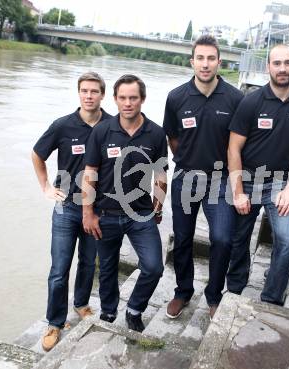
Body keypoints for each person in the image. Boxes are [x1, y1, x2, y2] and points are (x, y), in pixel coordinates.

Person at [226, 44, 289, 305]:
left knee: (287, 242)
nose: (282, 68)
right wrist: (238, 192)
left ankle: (271, 299)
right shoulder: (251, 102)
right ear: (268, 67)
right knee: (237, 238)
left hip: (281, 183)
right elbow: (234, 148)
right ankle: (234, 290)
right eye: (276, 63)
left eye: (287, 63)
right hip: (247, 179)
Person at [163, 35, 243, 319]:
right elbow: (173, 139)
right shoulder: (176, 97)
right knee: (182, 238)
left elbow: (240, 143)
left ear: (219, 62)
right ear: (192, 61)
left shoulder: (235, 98)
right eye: (200, 58)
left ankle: (213, 296)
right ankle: (182, 292)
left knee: (222, 239)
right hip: (186, 178)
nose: (205, 64)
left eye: (211, 58)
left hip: (220, 181)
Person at [32, 72, 111, 351]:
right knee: (59, 269)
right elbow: (37, 154)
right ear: (78, 93)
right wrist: (45, 187)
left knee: (89, 263)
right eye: (84, 91)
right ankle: (54, 323)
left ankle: (80, 304)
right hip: (66, 208)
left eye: (94, 91)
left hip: (98, 210)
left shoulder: (113, 126)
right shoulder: (63, 125)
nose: (89, 96)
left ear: (103, 94)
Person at [82, 74, 167, 332]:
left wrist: (158, 205)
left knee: (153, 266)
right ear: (115, 99)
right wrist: (88, 212)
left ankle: (134, 309)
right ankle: (108, 312)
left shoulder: (156, 133)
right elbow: (90, 173)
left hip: (140, 214)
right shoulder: (102, 131)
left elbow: (161, 173)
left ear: (142, 99)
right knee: (107, 268)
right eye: (122, 98)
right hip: (105, 214)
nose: (128, 103)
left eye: (133, 98)